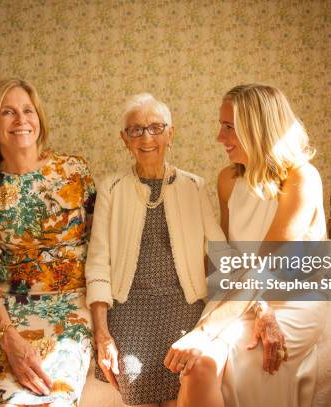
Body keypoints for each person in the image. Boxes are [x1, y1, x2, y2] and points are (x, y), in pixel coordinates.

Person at [169, 83, 328, 407]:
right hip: (244, 295)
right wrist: (252, 307)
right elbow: (229, 259)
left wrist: (210, 327)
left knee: (205, 358)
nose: (219, 137)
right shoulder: (228, 180)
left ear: (256, 128)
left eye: (229, 126)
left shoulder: (302, 179)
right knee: (196, 367)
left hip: (292, 301)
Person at [85, 93, 226, 407]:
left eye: (155, 128)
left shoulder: (194, 186)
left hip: (184, 303)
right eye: (135, 130)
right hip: (129, 308)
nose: (146, 137)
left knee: (188, 378)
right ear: (125, 139)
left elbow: (220, 250)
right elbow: (97, 263)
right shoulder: (110, 188)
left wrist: (248, 301)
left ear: (170, 133)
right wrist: (102, 335)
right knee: (133, 374)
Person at [0, 78, 96, 406]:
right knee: (14, 399)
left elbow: (102, 244)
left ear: (39, 118)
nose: (21, 120)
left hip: (72, 304)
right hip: (12, 312)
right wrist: (10, 340)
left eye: (27, 110)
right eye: (8, 112)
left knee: (53, 396)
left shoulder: (73, 171)